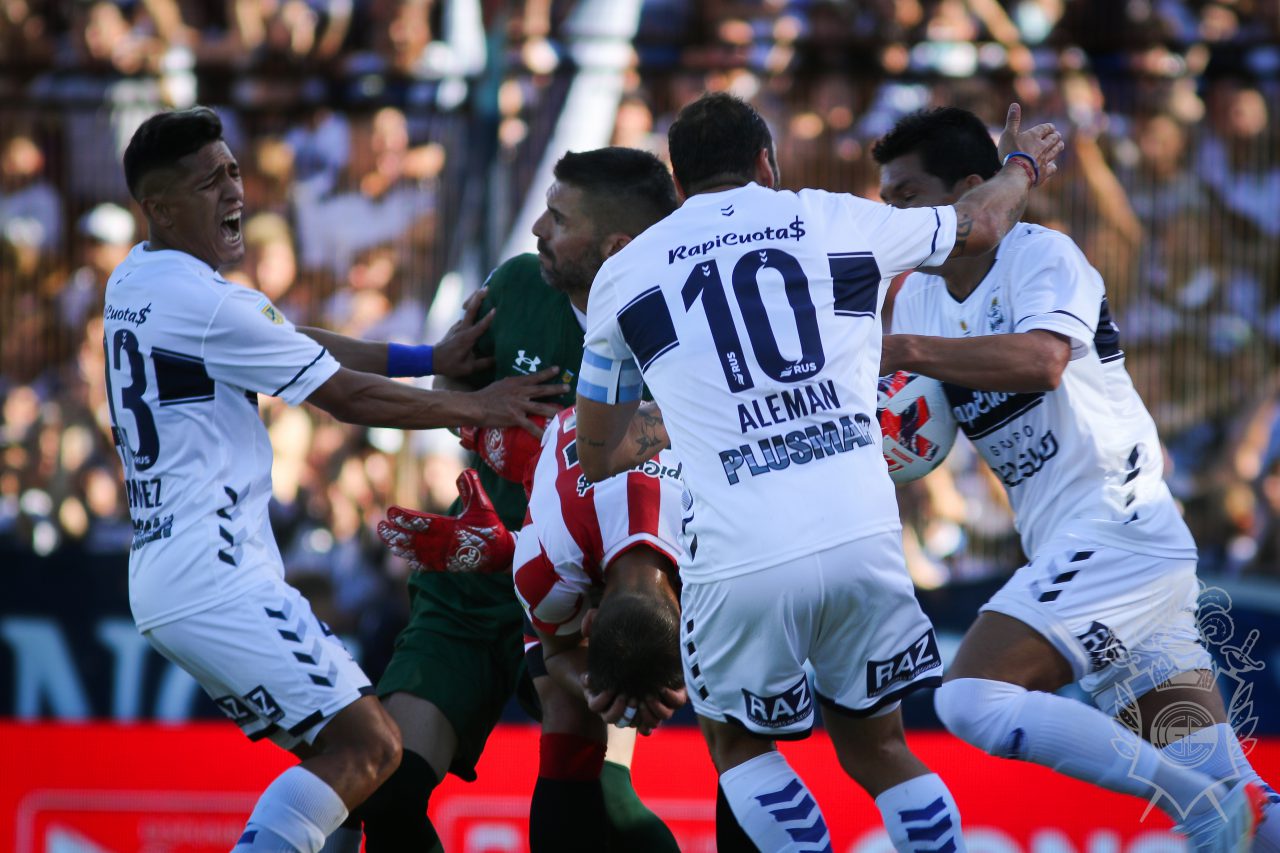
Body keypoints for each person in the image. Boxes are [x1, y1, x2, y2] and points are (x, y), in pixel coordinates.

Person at [574, 92, 1062, 853]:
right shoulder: (837, 217)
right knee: (880, 749)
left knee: (739, 747)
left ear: (678, 184)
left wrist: (693, 417)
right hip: (862, 532)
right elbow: (983, 223)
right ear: (765, 163)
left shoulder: (623, 274)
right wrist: (1021, 164)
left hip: (741, 551)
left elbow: (599, 450)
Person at [105, 106, 564, 853]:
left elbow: (283, 339)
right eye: (208, 182)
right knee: (372, 750)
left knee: (354, 777)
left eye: (233, 172)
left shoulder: (136, 277)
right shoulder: (207, 301)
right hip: (216, 576)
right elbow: (343, 397)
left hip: (169, 575)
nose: (234, 191)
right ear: (160, 207)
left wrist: (428, 359)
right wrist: (480, 404)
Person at [875, 106, 1272, 849]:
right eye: (885, 200)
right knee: (1243, 798)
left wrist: (901, 350)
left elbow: (1043, 360)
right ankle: (1223, 808)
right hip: (1100, 558)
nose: (892, 216)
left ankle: (1196, 808)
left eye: (906, 197)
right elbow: (919, 423)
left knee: (970, 697)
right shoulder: (922, 296)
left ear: (967, 190)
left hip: (1116, 528)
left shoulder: (1042, 255)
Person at [358, 147, 681, 852]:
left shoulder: (678, 327)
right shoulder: (515, 284)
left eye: (559, 219)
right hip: (473, 580)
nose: (537, 227)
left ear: (614, 246)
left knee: (601, 805)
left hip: (590, 593)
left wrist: (530, 451)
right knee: (387, 794)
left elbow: (664, 479)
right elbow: (451, 390)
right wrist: (478, 414)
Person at [377, 406, 686, 852]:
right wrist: (605, 690)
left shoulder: (723, 555)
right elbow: (559, 653)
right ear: (590, 621)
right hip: (532, 521)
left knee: (608, 778)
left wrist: (643, 690)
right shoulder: (549, 567)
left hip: (563, 504)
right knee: (568, 714)